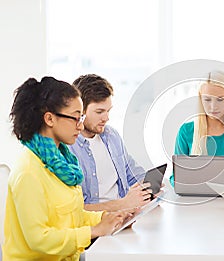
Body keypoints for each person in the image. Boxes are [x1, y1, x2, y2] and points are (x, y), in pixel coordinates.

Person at [3, 77, 130, 260]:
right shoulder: (29, 172)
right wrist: (94, 231)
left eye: (82, 118)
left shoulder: (63, 163)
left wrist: (110, 219)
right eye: (75, 118)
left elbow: (73, 217)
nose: (80, 126)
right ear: (50, 119)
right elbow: (39, 239)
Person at [69, 74, 151, 212]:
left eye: (108, 111)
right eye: (99, 112)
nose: (106, 118)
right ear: (80, 111)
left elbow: (132, 174)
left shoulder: (111, 136)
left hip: (124, 218)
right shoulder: (68, 148)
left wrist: (149, 188)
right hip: (98, 226)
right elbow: (76, 211)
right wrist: (124, 204)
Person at [170, 71, 224, 185]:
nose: (213, 106)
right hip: (196, 200)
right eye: (207, 100)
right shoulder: (186, 131)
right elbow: (175, 177)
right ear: (200, 99)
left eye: (220, 99)